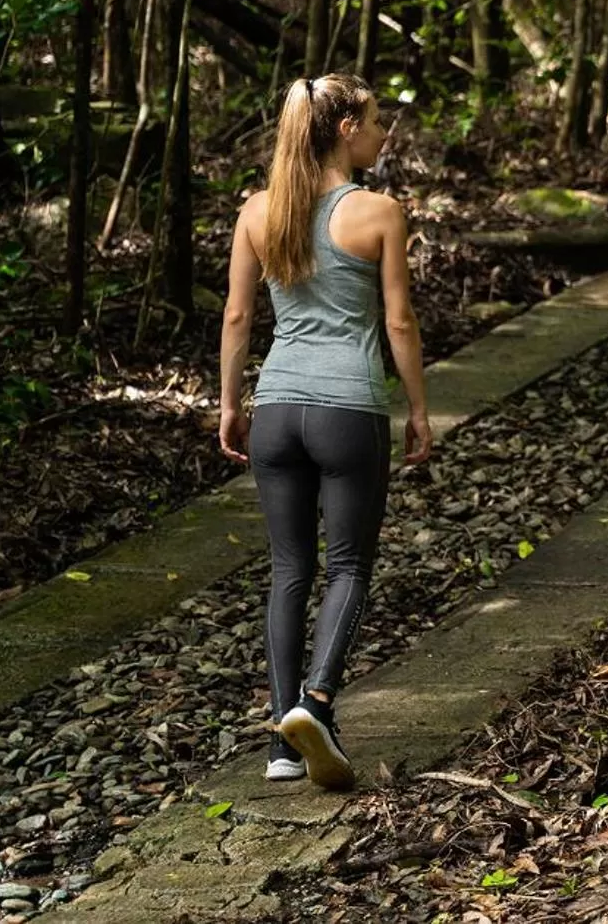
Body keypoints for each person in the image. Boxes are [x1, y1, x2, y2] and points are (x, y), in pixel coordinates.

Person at [216, 73, 434, 791]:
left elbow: (239, 318)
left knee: (289, 568)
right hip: (347, 409)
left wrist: (229, 404)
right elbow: (399, 321)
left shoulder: (258, 210)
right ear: (344, 130)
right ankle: (315, 701)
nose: (382, 133)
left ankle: (284, 743)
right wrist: (420, 409)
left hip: (276, 407)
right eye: (374, 121)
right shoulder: (379, 212)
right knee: (349, 567)